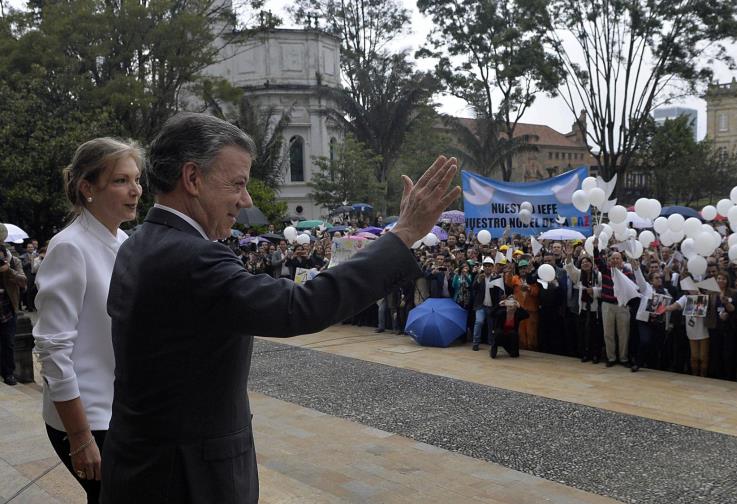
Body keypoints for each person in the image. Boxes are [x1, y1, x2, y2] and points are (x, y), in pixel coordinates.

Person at [100, 113, 460, 503]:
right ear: (192, 178)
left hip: (141, 465)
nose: (246, 199)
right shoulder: (194, 258)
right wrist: (404, 234)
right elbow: (300, 307)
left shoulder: (137, 243)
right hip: (187, 479)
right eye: (237, 183)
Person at [32, 137, 144, 503]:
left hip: (120, 412)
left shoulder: (123, 240)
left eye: (137, 179)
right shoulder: (70, 246)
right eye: (121, 181)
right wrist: (79, 437)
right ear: (87, 188)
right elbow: (53, 350)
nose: (136, 190)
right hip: (87, 417)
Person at [0, 245, 27, 385]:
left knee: (8, 343)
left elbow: (23, 281)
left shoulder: (13, 261)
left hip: (8, 309)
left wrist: (8, 270)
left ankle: (8, 373)